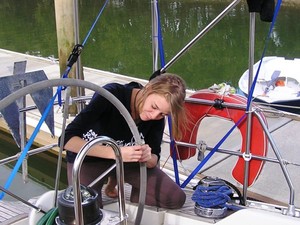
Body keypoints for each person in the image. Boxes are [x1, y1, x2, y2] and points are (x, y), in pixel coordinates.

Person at [61, 73, 187, 209]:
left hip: (127, 161)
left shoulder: (157, 118)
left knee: (176, 198)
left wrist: (148, 156)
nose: (154, 116)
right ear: (148, 89)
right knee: (88, 211)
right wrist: (116, 153)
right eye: (154, 107)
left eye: (163, 114)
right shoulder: (111, 95)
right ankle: (112, 181)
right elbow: (66, 140)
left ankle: (133, 194)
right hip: (90, 158)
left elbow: (154, 159)